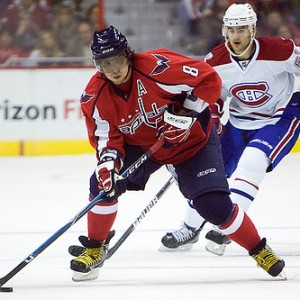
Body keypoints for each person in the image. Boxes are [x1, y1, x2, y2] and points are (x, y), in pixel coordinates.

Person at [69, 25, 285, 282]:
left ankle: (260, 250)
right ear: (97, 65)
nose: (113, 69)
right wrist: (108, 165)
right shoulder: (94, 97)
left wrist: (187, 113)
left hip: (193, 143)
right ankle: (95, 247)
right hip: (142, 147)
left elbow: (209, 79)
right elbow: (107, 139)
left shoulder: (158, 68)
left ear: (127, 54)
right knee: (103, 184)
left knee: (214, 207)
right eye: (105, 63)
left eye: (117, 59)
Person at [160, 2, 300, 256]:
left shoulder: (280, 50)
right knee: (209, 173)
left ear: (253, 30)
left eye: (242, 29)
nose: (237, 36)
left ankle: (230, 226)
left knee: (253, 159)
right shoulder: (215, 60)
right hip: (238, 122)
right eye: (232, 30)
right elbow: (214, 96)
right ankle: (190, 228)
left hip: (280, 117)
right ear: (225, 31)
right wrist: (211, 121)